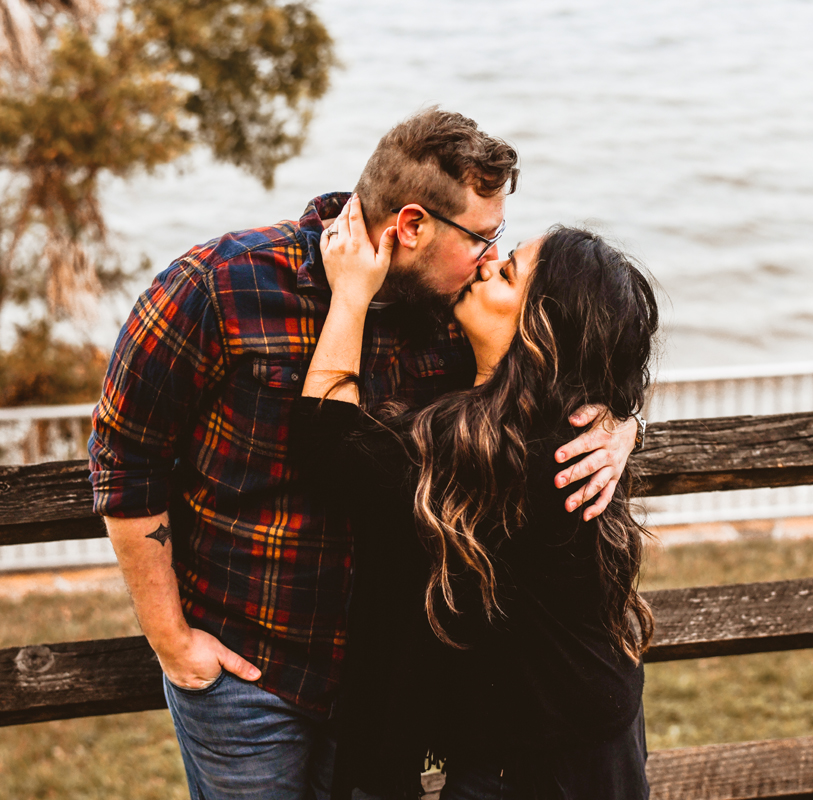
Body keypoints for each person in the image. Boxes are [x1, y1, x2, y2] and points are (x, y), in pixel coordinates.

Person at [87, 107, 643, 800]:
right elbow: (124, 459)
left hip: (391, 692)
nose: (489, 259)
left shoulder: (457, 310)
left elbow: (578, 340)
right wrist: (172, 640)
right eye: (483, 238)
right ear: (412, 225)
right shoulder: (219, 287)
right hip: (255, 671)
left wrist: (618, 423)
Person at [290, 196, 658, 800]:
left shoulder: (504, 454)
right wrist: (626, 420)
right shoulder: (568, 424)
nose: (486, 264)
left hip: (550, 763)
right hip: (575, 727)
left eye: (508, 272)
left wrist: (351, 295)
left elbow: (327, 445)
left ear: (539, 330)